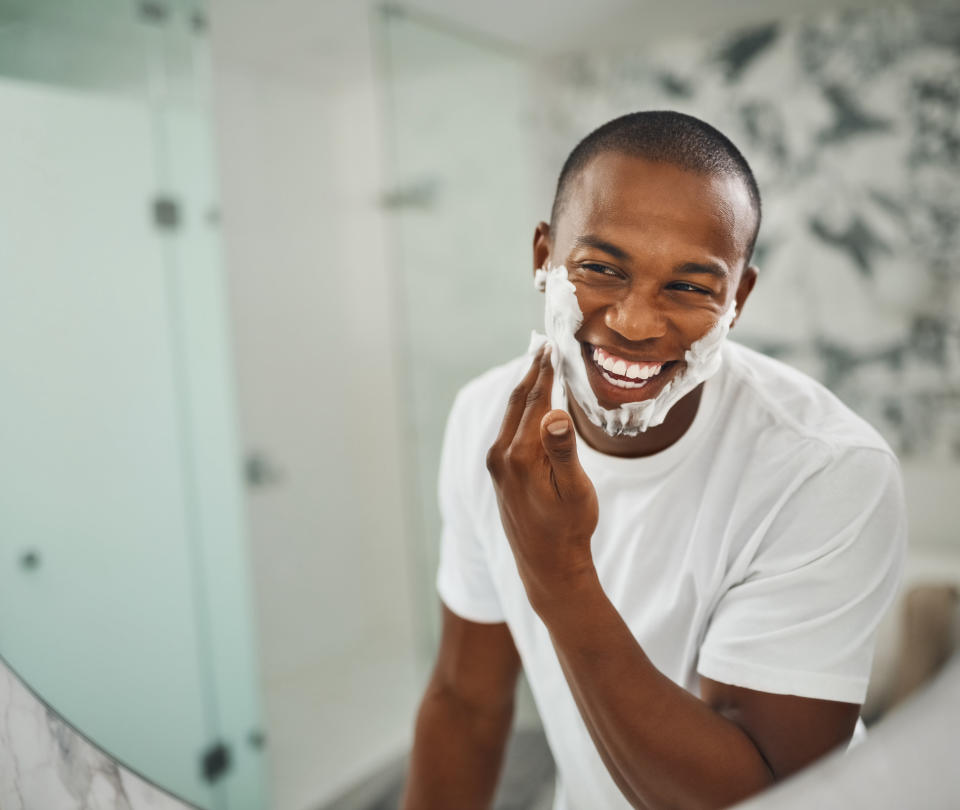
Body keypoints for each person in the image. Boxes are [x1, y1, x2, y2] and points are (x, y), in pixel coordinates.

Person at [400, 111, 907, 810]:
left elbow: (758, 800)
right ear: (544, 258)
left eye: (692, 286)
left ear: (739, 300)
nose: (636, 323)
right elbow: (465, 702)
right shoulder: (484, 421)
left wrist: (562, 576)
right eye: (602, 269)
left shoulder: (825, 470)